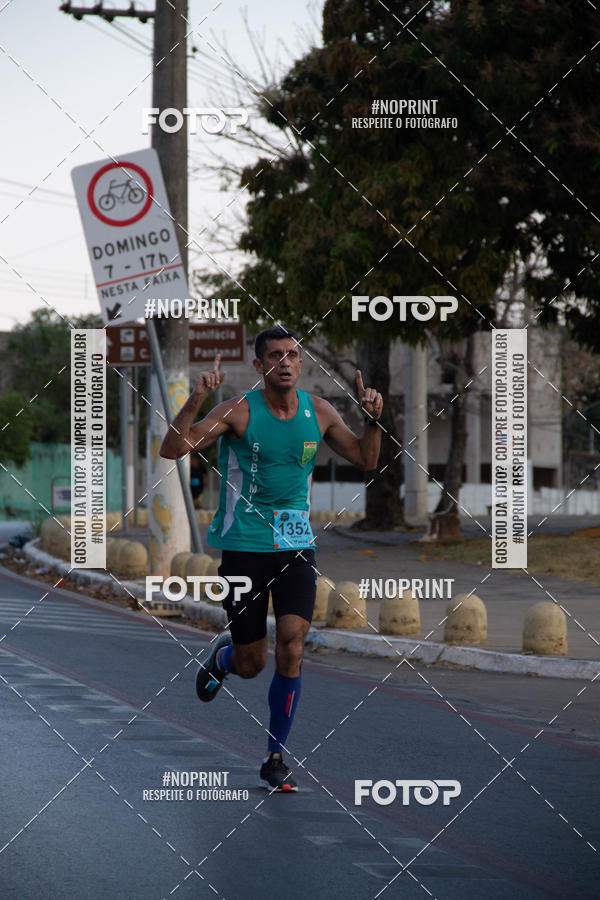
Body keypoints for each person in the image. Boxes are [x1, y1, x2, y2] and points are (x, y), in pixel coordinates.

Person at [160, 327, 383, 791]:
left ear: (301, 364)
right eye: (276, 355)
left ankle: (274, 756)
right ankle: (224, 660)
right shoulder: (238, 412)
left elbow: (365, 459)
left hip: (296, 546)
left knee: (293, 644)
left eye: (293, 354)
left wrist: (372, 420)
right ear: (260, 366)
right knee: (252, 663)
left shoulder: (318, 412)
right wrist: (197, 400)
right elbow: (173, 448)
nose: (286, 361)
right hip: (244, 548)